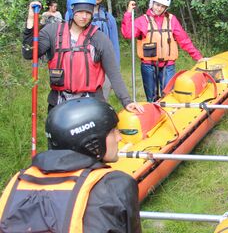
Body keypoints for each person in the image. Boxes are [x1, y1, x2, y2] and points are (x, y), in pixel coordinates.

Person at [0, 98, 142, 232]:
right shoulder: (116, 184)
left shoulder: (20, 180)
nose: (119, 137)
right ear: (92, 141)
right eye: (112, 131)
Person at [22, 0, 141, 112]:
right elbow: (29, 53)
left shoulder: (99, 38)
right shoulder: (52, 31)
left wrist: (127, 101)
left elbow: (114, 73)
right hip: (60, 102)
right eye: (80, 12)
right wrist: (31, 20)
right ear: (72, 10)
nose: (84, 16)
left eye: (88, 13)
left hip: (92, 102)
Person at [121, 0, 203, 102]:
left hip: (167, 65)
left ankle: (170, 115)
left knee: (168, 95)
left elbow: (184, 40)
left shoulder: (172, 20)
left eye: (163, 6)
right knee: (152, 98)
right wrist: (128, 13)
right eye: (157, 5)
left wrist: (198, 57)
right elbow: (127, 34)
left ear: (166, 8)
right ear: (152, 3)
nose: (159, 9)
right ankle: (154, 114)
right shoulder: (142, 21)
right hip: (148, 65)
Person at [81, 0, 121, 101]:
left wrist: (115, 74)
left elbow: (114, 47)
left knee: (101, 104)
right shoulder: (74, 15)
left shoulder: (109, 18)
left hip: (103, 67)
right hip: (82, 66)